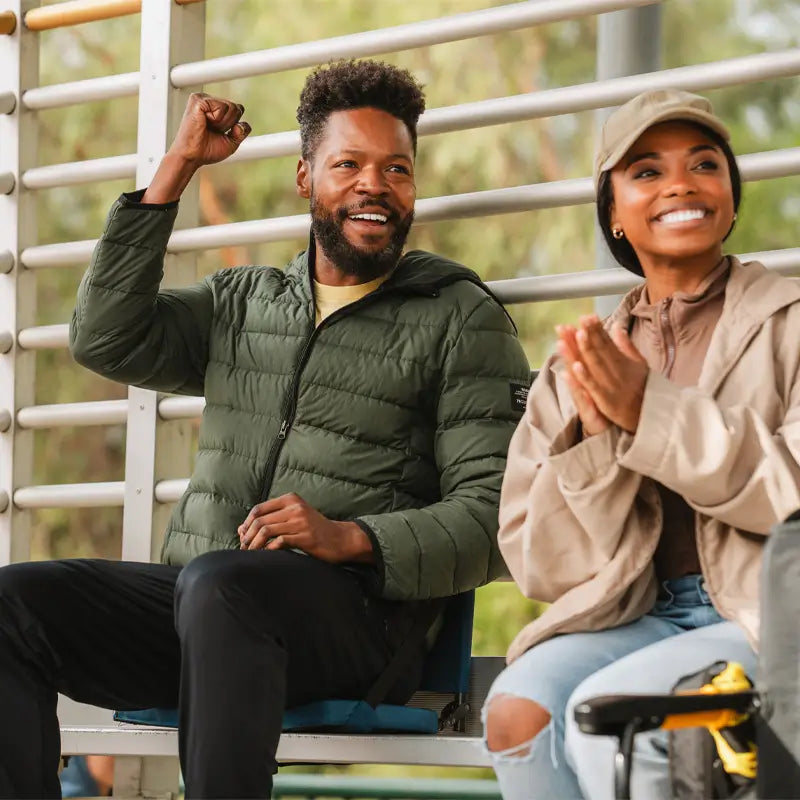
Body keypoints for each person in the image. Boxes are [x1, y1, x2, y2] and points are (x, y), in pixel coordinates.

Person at [0, 59, 530, 799]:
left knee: (223, 588)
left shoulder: (458, 317)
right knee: (13, 603)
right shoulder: (244, 302)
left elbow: (496, 514)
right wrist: (175, 170)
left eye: (397, 169)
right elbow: (105, 340)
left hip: (355, 626)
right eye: (348, 164)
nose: (374, 185)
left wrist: (352, 539)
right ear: (305, 178)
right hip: (201, 610)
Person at [483, 88, 800, 800]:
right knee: (516, 709)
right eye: (647, 171)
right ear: (615, 214)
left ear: (730, 195)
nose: (681, 184)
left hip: (766, 618)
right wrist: (596, 445)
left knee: (614, 721)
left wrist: (649, 412)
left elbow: (793, 495)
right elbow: (541, 564)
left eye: (705, 164)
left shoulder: (790, 323)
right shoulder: (577, 366)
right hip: (640, 616)